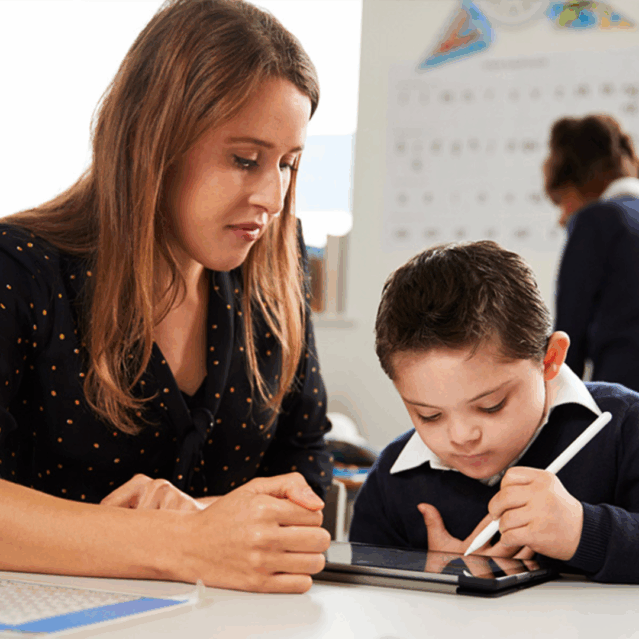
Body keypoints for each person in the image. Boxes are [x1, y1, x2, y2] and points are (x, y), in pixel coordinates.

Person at [0, 0, 334, 593]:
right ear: (154, 141)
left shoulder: (276, 272)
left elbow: (305, 480)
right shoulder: (19, 270)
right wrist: (182, 542)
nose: (273, 197)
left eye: (288, 164)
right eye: (245, 159)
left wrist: (200, 519)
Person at [350, 240, 639, 583]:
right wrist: (422, 578)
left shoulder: (623, 427)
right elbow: (365, 600)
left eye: (491, 405)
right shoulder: (394, 479)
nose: (462, 437)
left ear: (550, 359)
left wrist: (582, 531)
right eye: (429, 415)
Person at [545, 113, 639, 392]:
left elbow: (567, 341)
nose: (561, 218)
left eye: (561, 201)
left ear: (579, 183)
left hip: (627, 396)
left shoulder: (597, 220)